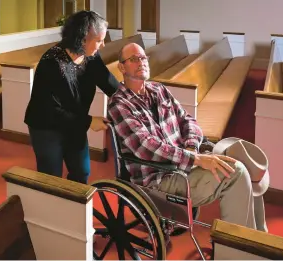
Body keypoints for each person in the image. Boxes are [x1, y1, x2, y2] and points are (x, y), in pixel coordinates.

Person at [107, 43, 268, 232]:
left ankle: (258, 238)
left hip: (183, 164)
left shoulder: (159, 90)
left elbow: (188, 120)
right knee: (236, 173)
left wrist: (191, 148)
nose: (141, 62)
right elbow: (147, 146)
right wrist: (196, 159)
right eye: (134, 59)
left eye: (143, 58)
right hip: (159, 177)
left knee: (243, 161)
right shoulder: (119, 105)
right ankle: (237, 247)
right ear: (121, 67)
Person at [24, 11, 120, 184]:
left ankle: (73, 209)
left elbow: (108, 82)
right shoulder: (52, 63)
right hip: (46, 127)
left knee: (82, 172)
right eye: (99, 40)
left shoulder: (90, 56)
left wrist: (131, 99)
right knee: (51, 179)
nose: (103, 45)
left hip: (74, 122)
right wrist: (89, 122)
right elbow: (49, 111)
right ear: (82, 39)